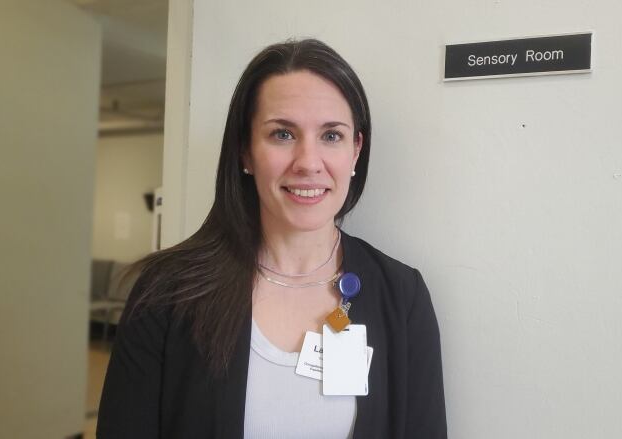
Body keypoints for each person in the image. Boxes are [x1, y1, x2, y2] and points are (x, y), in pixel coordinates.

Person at [97, 39, 447, 439]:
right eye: (282, 134)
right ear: (245, 150)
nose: (308, 162)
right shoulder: (167, 295)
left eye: (331, 136)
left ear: (356, 151)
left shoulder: (402, 297)